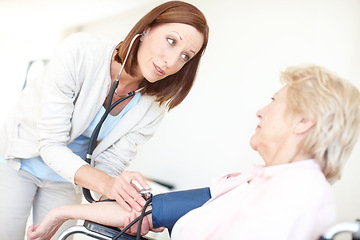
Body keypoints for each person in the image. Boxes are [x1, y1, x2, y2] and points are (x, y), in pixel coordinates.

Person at [26, 64, 360, 240]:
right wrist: (63, 212)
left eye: (275, 101)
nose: (260, 111)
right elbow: (150, 211)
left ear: (303, 121)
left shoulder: (298, 194)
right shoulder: (250, 182)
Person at [0, 1, 209, 239]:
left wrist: (123, 198)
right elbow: (50, 143)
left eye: (185, 56)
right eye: (171, 41)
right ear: (147, 29)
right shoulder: (80, 51)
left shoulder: (153, 107)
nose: (171, 61)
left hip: (68, 179)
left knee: (60, 235)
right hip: (20, 160)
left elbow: (108, 165)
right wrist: (108, 184)